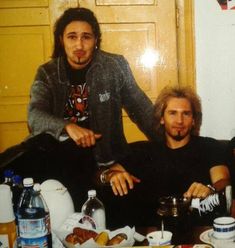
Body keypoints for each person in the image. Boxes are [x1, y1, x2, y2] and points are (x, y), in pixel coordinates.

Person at [25, 7, 157, 209]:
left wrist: (172, 141)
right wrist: (67, 127)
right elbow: (35, 116)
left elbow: (142, 110)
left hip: (109, 161)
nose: (79, 44)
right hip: (65, 166)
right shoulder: (47, 73)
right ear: (61, 40)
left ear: (96, 40)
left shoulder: (114, 66)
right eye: (72, 37)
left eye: (86, 37)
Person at [100, 86, 231, 227]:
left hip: (197, 234)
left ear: (193, 120)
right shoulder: (143, 151)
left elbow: (223, 180)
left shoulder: (209, 146)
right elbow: (101, 175)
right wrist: (109, 176)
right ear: (161, 118)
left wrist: (210, 189)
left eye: (186, 113)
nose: (179, 121)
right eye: (172, 113)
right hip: (152, 236)